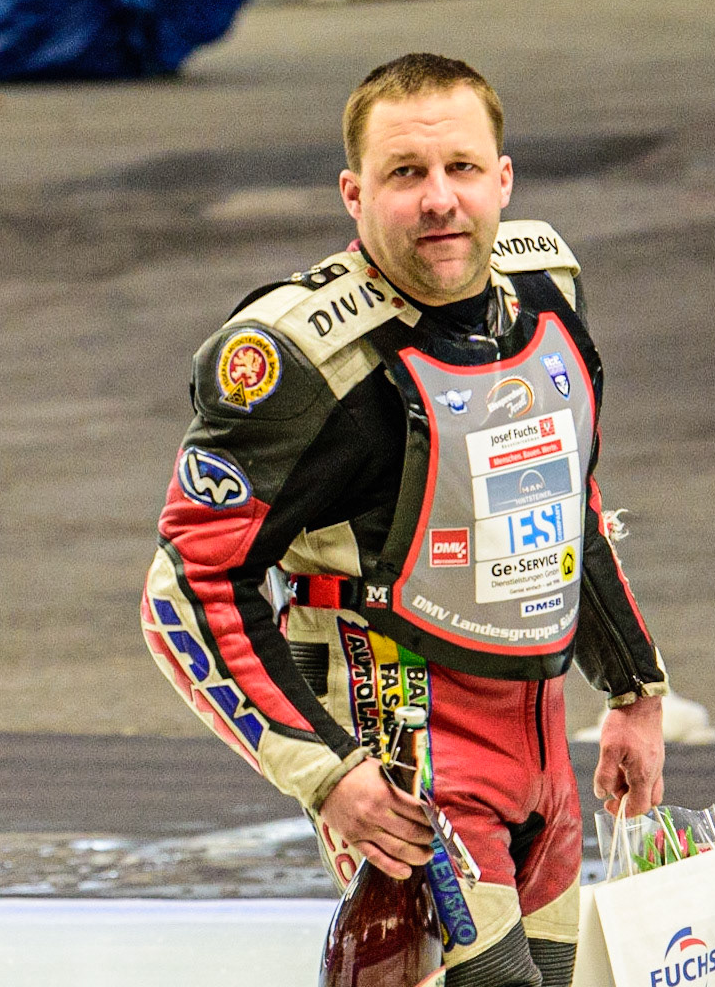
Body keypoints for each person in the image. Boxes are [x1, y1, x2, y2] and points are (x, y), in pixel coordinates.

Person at [142, 53, 669, 987]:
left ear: (503, 177)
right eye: (406, 174)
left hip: (544, 742)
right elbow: (187, 586)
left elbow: (567, 501)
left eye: (462, 169)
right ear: (354, 194)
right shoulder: (297, 362)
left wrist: (634, 691)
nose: (440, 201)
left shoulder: (546, 294)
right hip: (404, 752)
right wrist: (328, 772)